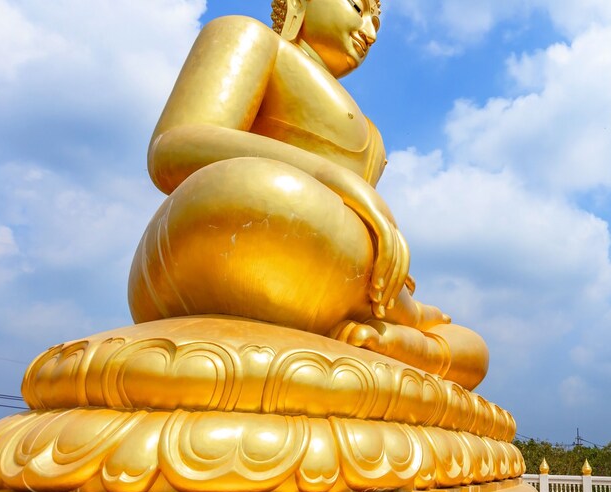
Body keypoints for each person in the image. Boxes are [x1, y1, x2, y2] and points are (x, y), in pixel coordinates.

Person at [129, 0, 488, 387]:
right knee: (264, 194)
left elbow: (348, 232)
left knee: (472, 348)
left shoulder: (371, 130)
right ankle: (401, 322)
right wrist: (336, 179)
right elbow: (172, 147)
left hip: (345, 276)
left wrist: (389, 274)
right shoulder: (253, 38)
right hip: (245, 234)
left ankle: (402, 342)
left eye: (377, 23)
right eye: (357, 7)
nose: (369, 33)